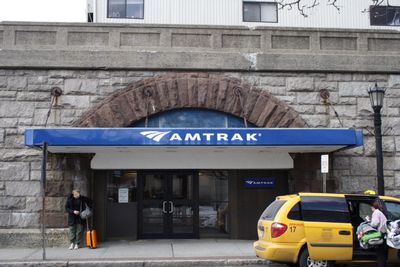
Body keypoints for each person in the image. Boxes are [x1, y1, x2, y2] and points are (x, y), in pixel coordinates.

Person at [368, 198, 388, 267]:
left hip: (381, 235)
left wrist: (369, 221)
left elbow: (375, 224)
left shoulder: (376, 212)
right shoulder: (379, 212)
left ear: (372, 207)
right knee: (382, 255)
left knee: (381, 256)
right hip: (384, 235)